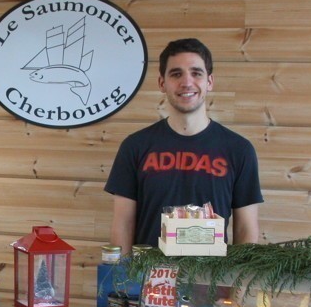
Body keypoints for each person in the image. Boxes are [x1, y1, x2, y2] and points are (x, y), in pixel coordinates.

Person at [105, 38, 263, 250]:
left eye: (196, 73)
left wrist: (240, 273)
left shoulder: (239, 150)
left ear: (210, 82)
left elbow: (246, 229)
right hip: (148, 271)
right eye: (176, 74)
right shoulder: (135, 147)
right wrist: (122, 272)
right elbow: (123, 225)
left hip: (212, 271)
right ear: (162, 83)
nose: (187, 82)